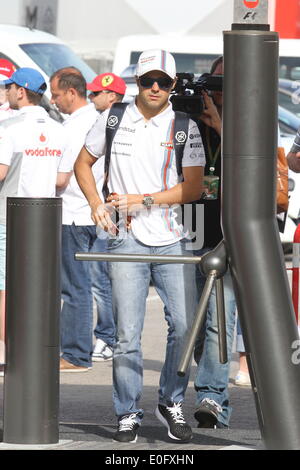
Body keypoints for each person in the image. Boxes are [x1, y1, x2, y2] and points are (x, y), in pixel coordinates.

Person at [74, 49, 205, 443]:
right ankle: (128, 410)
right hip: (124, 236)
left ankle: (171, 399)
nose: (154, 87)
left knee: (184, 326)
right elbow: (83, 163)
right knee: (127, 334)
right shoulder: (113, 117)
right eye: (148, 80)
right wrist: (97, 204)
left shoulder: (185, 126)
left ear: (173, 85)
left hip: (175, 237)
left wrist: (143, 200)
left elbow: (194, 188)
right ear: (136, 82)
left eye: (162, 82)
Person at [0, 67, 72, 375]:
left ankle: (4, 352)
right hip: (43, 218)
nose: (6, 92)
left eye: (9, 87)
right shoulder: (60, 128)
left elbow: (1, 173)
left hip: (8, 218)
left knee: (5, 289)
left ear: (20, 91)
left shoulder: (8, 126)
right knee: (36, 288)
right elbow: (61, 179)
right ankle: (32, 351)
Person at [50, 67, 117, 371]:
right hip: (94, 212)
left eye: (56, 94)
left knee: (75, 287)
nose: (53, 101)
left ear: (71, 92)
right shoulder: (99, 118)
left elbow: (61, 178)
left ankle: (76, 353)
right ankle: (89, 346)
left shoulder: (73, 127)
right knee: (93, 284)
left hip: (76, 214)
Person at [192, 56, 237, 429]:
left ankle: (212, 396)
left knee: (218, 320)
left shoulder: (248, 118)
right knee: (189, 322)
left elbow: (253, 162)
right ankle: (206, 377)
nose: (219, 91)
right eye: (215, 82)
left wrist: (221, 127)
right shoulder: (187, 118)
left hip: (228, 232)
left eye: (227, 83)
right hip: (189, 225)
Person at [85, 72, 126, 361]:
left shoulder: (115, 120)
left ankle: (108, 338)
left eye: (96, 93)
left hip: (111, 212)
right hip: (105, 210)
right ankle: (110, 337)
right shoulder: (106, 121)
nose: (92, 97)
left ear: (112, 95)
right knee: (102, 279)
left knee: (103, 280)